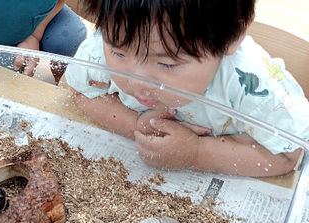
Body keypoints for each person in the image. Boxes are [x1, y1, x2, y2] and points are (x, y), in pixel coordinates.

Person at [65, 0, 309, 177]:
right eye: (119, 53)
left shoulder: (250, 83)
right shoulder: (112, 38)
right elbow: (79, 89)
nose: (137, 83)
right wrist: (135, 127)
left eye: (167, 64)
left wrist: (195, 152)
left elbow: (291, 152)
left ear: (234, 36)